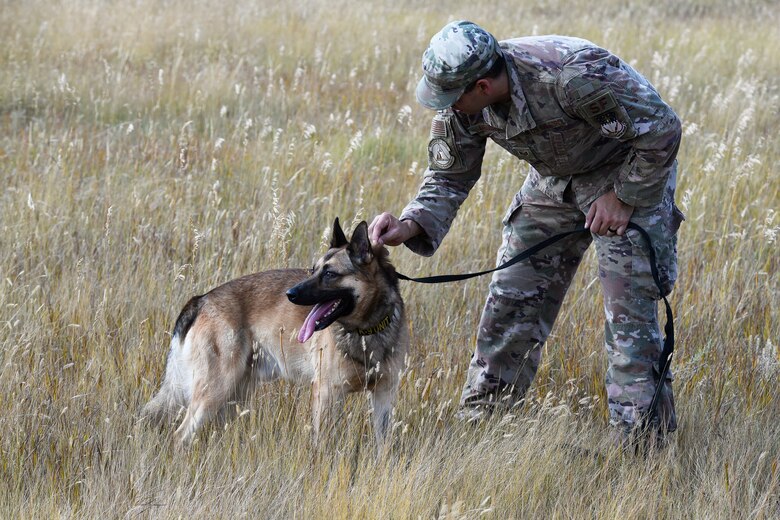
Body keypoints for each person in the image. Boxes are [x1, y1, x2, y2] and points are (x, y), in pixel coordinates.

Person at [368, 20, 684, 447]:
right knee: (511, 300)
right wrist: (410, 224)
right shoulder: (463, 104)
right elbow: (449, 174)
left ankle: (642, 445)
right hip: (553, 183)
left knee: (629, 318)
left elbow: (662, 129)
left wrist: (623, 197)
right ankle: (483, 429)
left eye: (452, 98)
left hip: (627, 173)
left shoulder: (572, 76)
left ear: (482, 85)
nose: (447, 107)